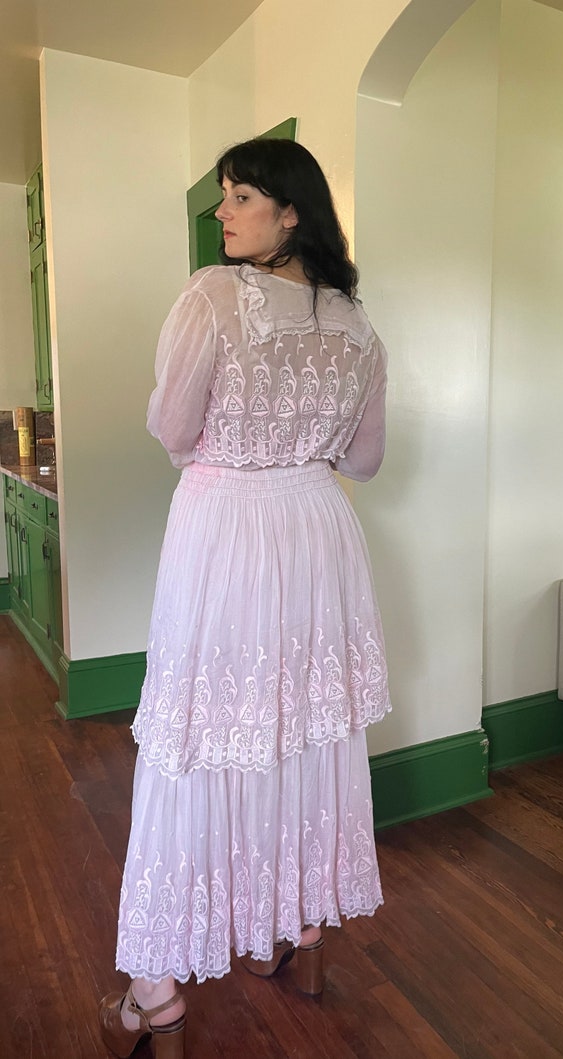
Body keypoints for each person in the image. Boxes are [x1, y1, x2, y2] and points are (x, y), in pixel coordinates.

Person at [98, 137, 391, 1059]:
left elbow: (171, 425)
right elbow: (368, 461)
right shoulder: (358, 325)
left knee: (198, 738)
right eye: (223, 196)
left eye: (242, 195)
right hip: (318, 534)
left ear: (290, 210)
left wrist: (229, 464)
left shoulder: (211, 297)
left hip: (227, 532)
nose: (223, 212)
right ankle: (301, 932)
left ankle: (159, 993)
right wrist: (296, 460)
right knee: (302, 727)